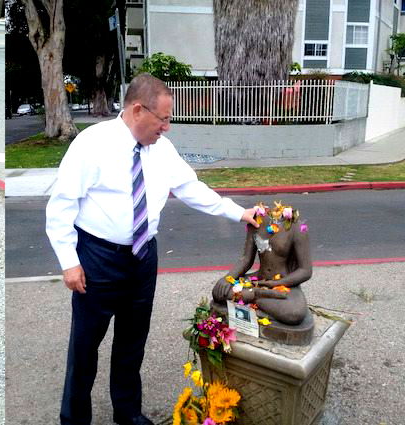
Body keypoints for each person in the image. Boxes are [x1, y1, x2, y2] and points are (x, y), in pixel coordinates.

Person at [45, 73, 259, 425]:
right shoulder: (91, 144)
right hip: (98, 258)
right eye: (164, 118)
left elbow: (191, 188)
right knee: (84, 347)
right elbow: (62, 205)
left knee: (132, 342)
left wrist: (239, 213)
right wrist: (69, 262)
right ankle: (74, 418)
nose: (168, 127)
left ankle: (127, 412)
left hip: (143, 258)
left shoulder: (163, 149)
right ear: (138, 109)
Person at [212, 202, 312, 325]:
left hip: (285, 282)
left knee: (294, 313)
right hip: (259, 280)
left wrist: (277, 283)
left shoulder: (296, 227)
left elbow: (305, 271)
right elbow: (246, 259)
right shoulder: (256, 222)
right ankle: (257, 295)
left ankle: (253, 297)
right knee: (219, 292)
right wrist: (228, 278)